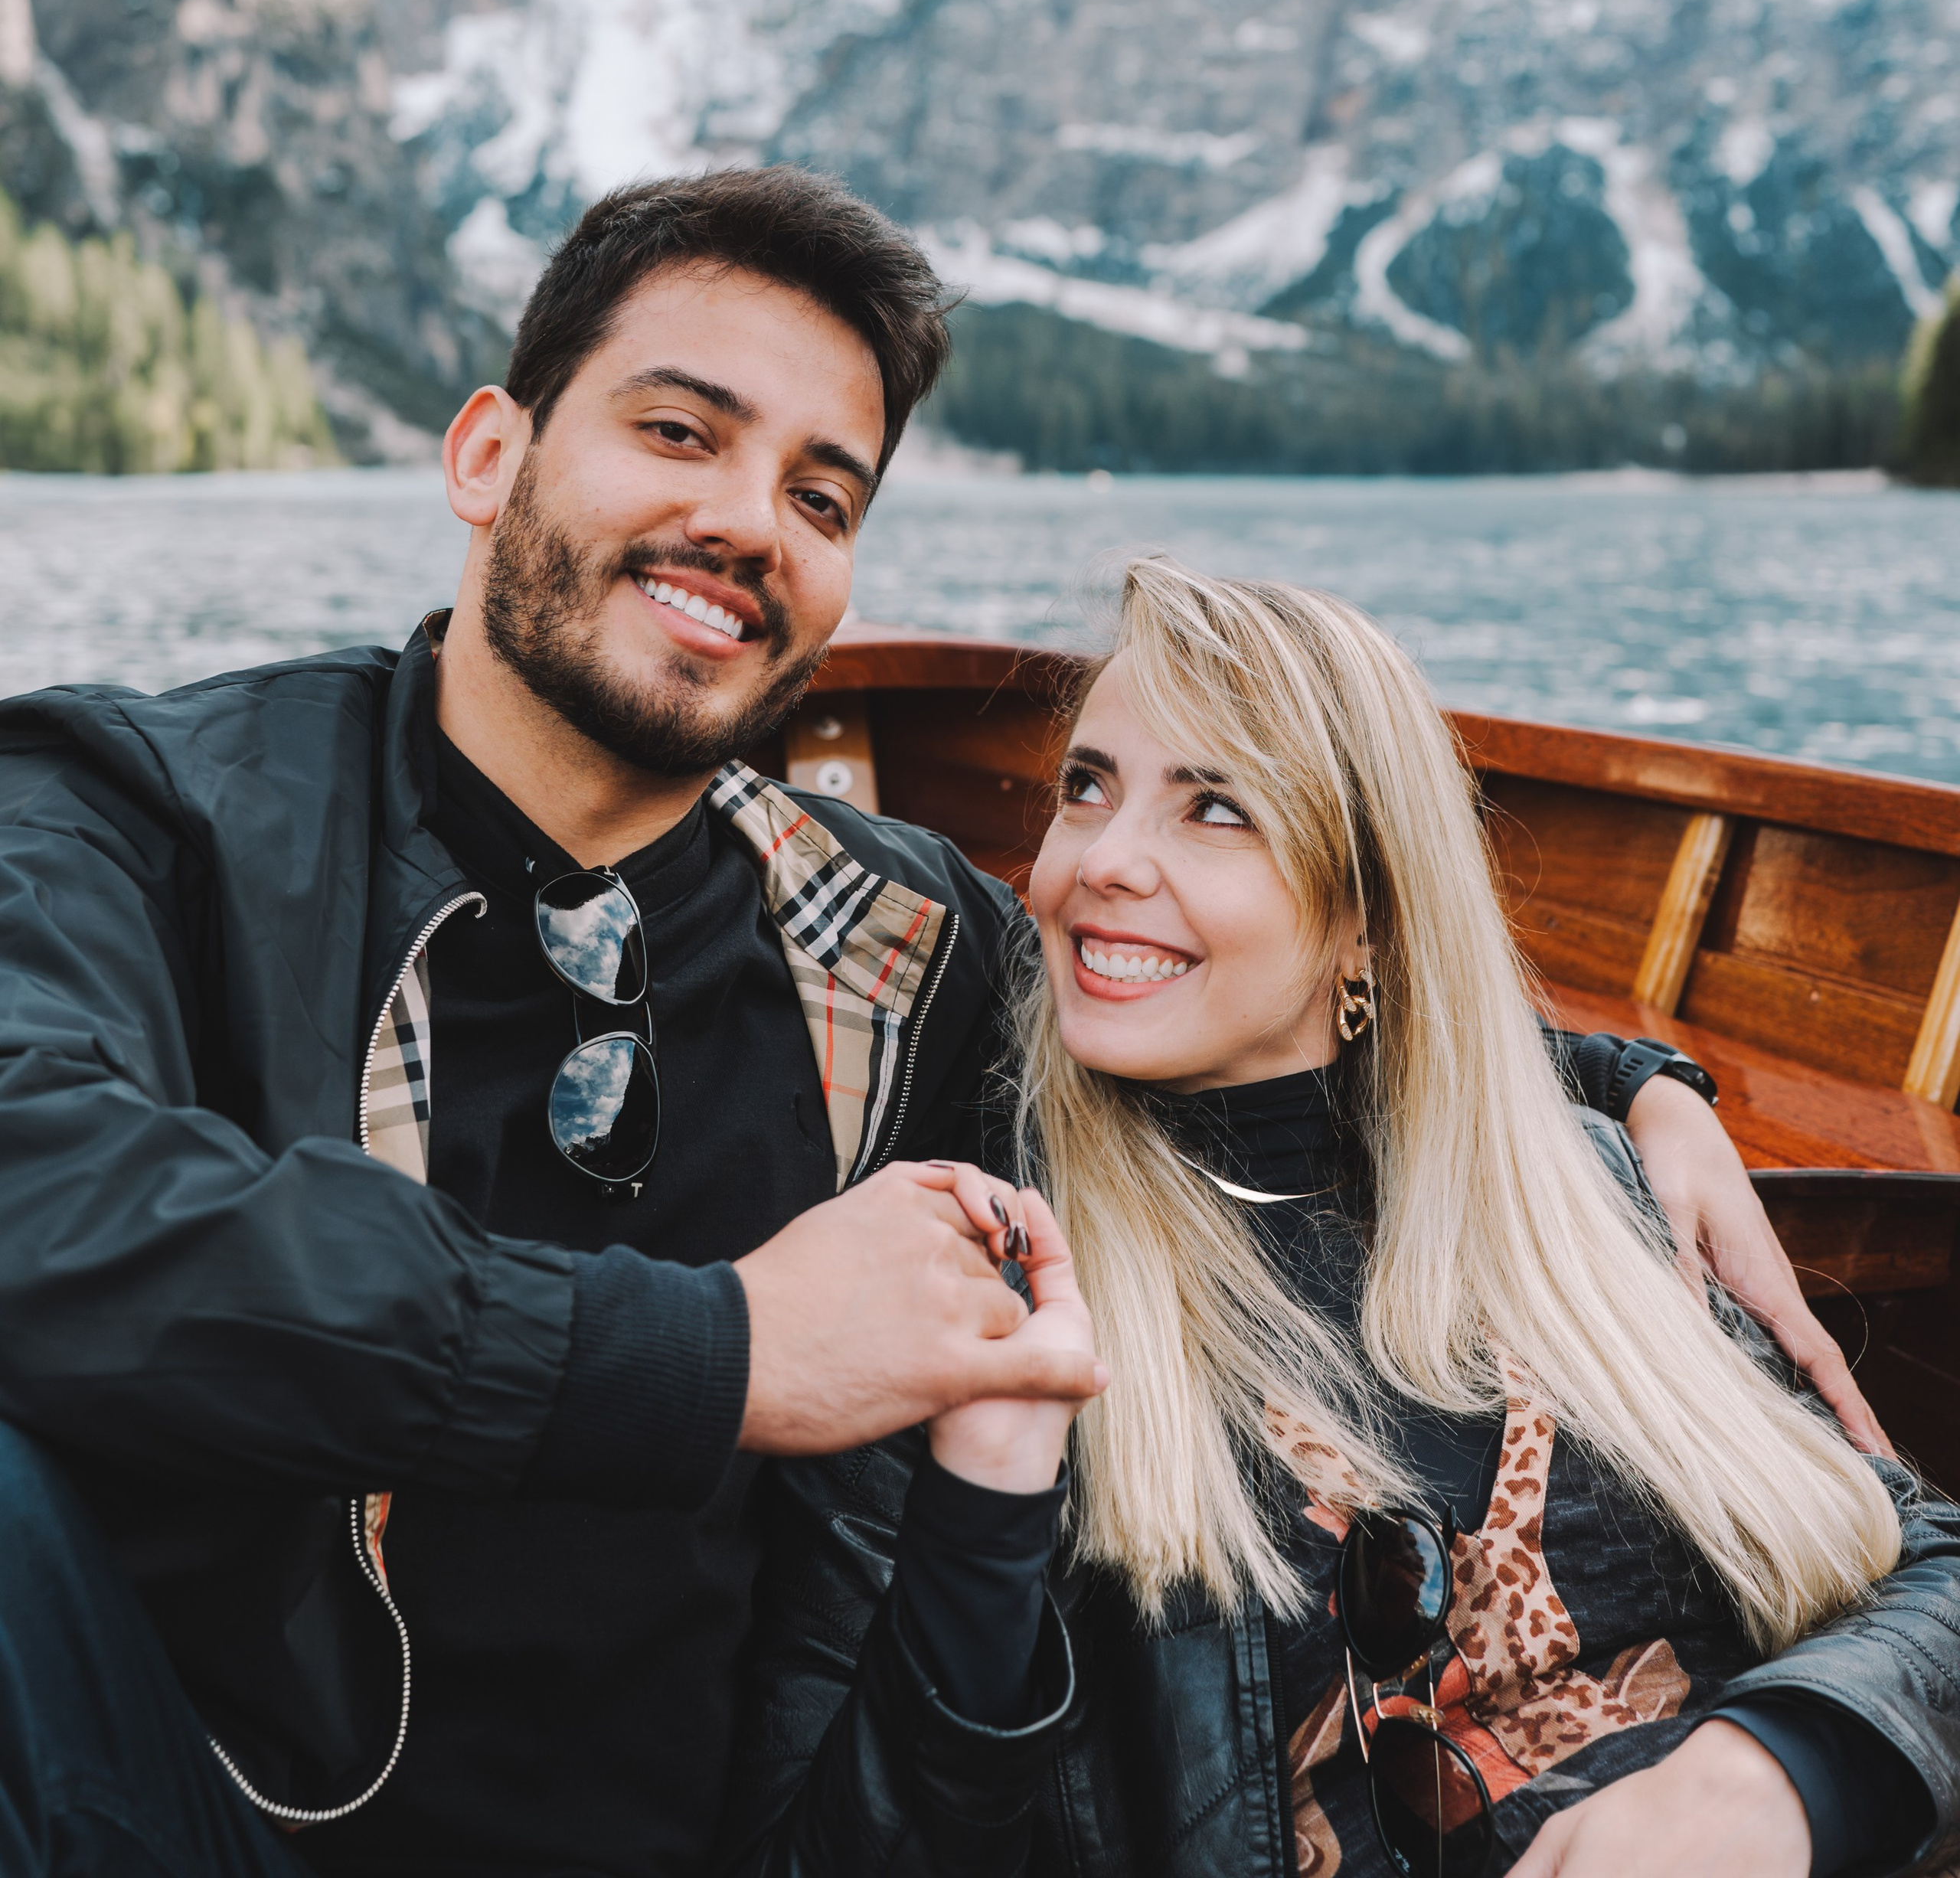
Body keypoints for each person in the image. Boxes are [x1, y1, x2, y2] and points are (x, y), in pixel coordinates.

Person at [0, 171, 1873, 1878]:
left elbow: (1233, 1018)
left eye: (821, 495)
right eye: (677, 431)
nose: (744, 521)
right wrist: (720, 1353)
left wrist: (1627, 1085)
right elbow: (43, 1188)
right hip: (206, 1812)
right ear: (491, 453)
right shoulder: (145, 816)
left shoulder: (894, 941)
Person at [722, 561, 1960, 1878]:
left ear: (1366, 918)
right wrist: (982, 1515)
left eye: (1216, 807)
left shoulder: (1583, 1189)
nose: (1099, 862)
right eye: (1087, 786)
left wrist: (1778, 1774)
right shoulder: (973, 1296)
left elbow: (1918, 1559)